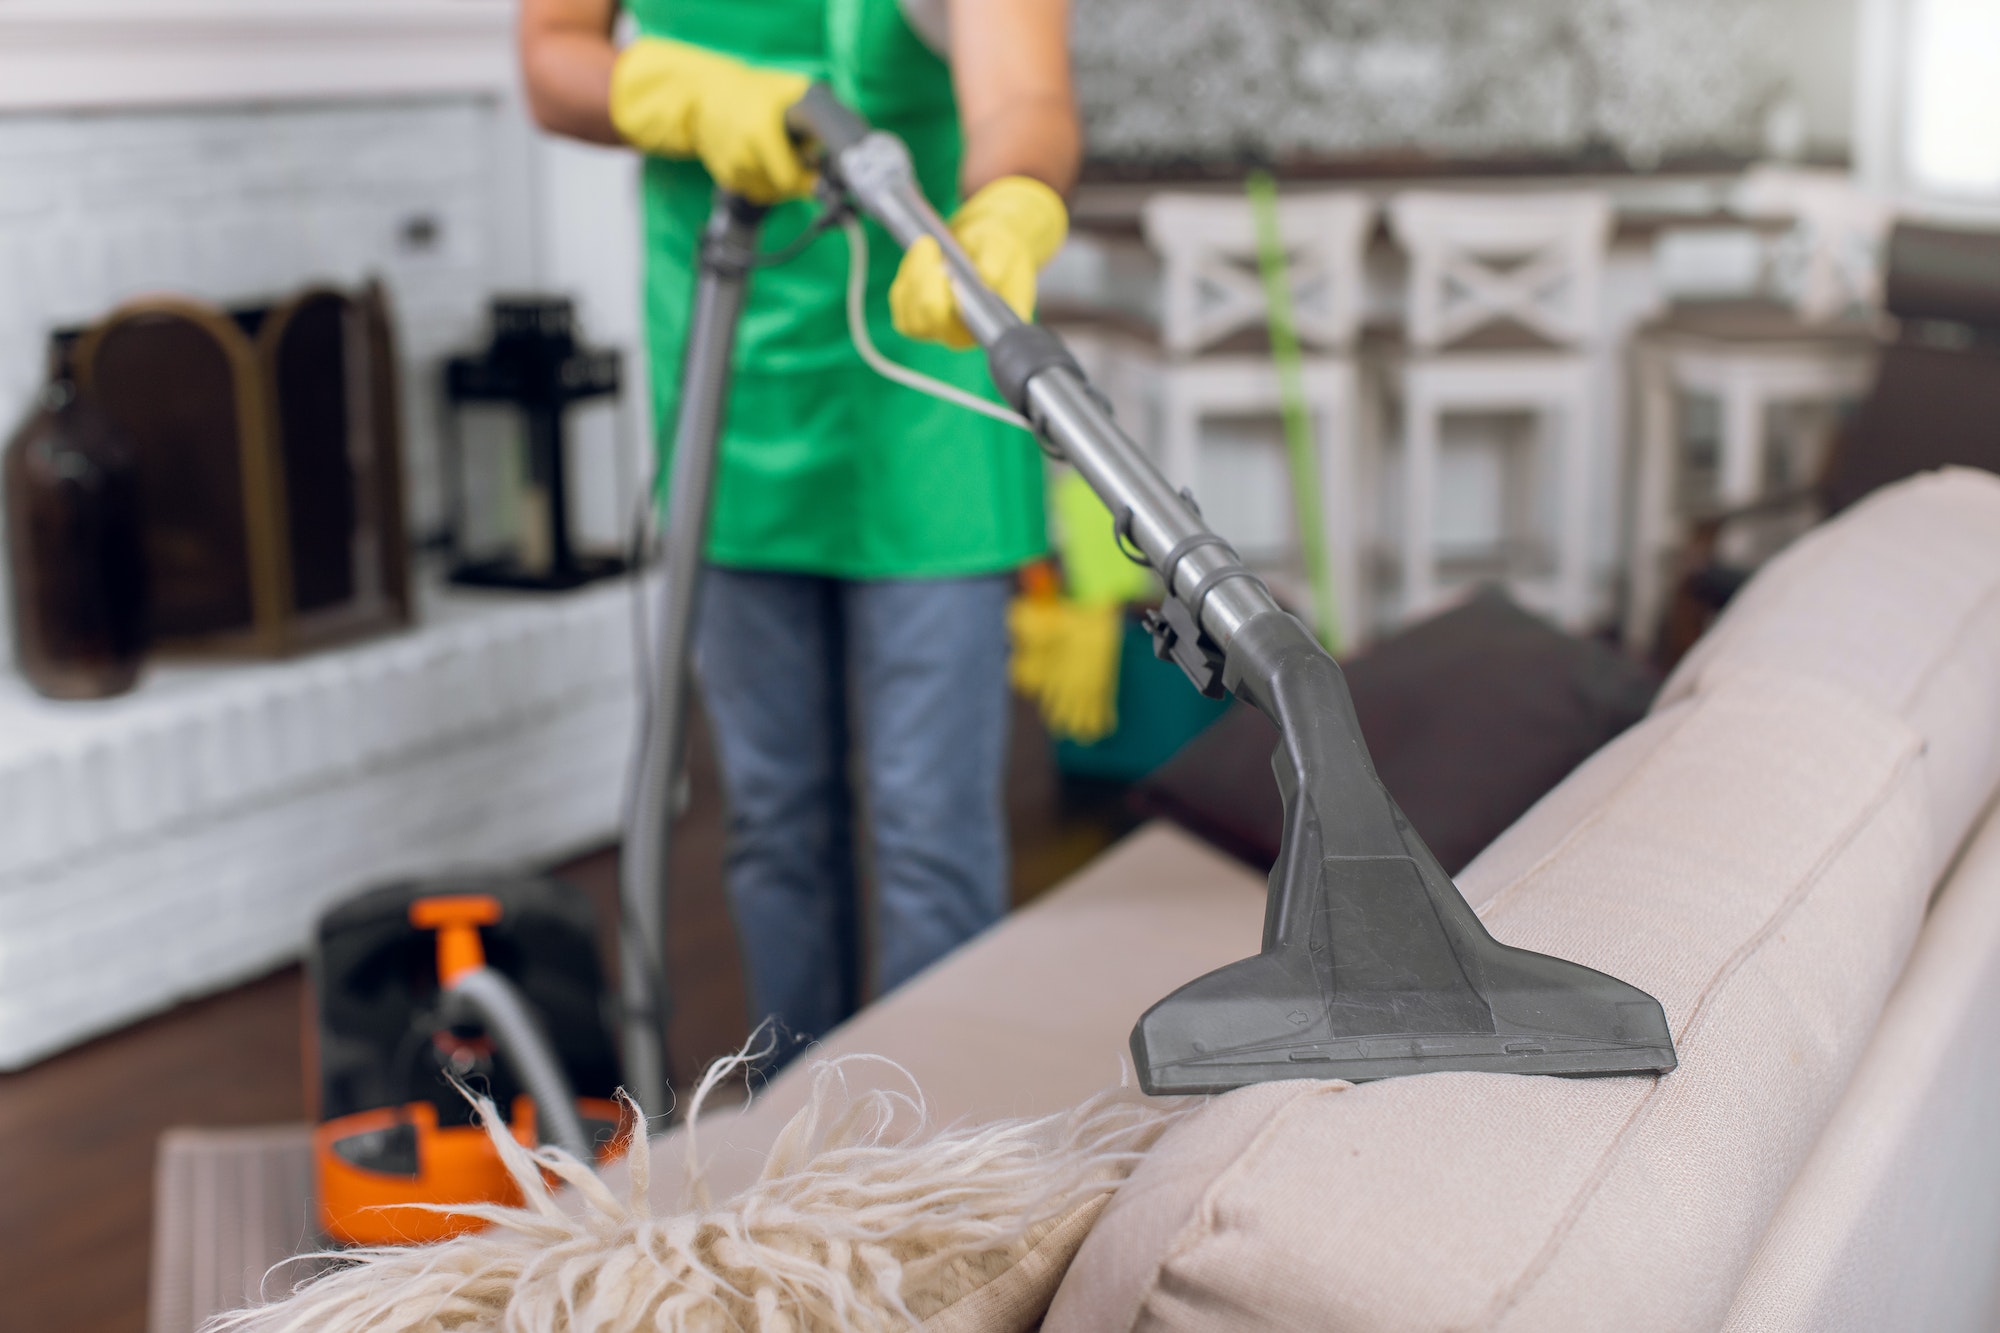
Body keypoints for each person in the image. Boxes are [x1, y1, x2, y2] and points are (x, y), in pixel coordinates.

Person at [519, 0, 1080, 1066]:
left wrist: (1005, 207)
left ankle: (932, 1163)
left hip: (926, 357)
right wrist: (675, 92)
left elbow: (1022, 94)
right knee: (774, 816)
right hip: (731, 365)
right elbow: (551, 56)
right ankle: (790, 1133)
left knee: (930, 831)